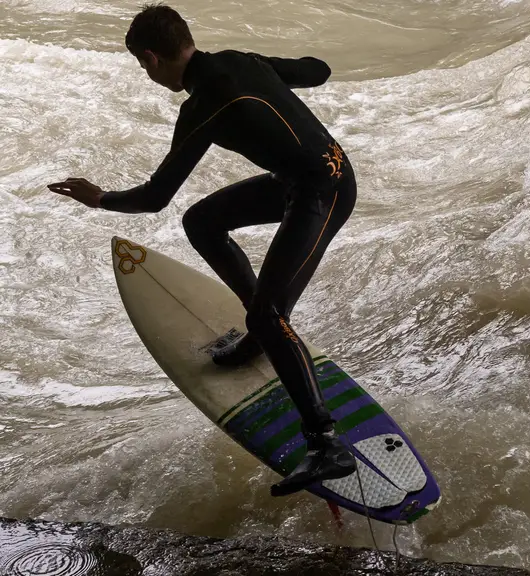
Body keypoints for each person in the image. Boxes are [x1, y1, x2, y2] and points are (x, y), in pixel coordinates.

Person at [48, 3, 357, 497]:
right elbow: (317, 71)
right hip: (310, 177)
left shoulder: (203, 105)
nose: (146, 75)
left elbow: (155, 198)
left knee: (269, 314)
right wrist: (280, 70)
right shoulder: (241, 60)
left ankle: (325, 443)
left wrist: (99, 198)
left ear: (151, 58)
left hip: (324, 193)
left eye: (141, 66)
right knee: (203, 221)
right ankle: (262, 328)